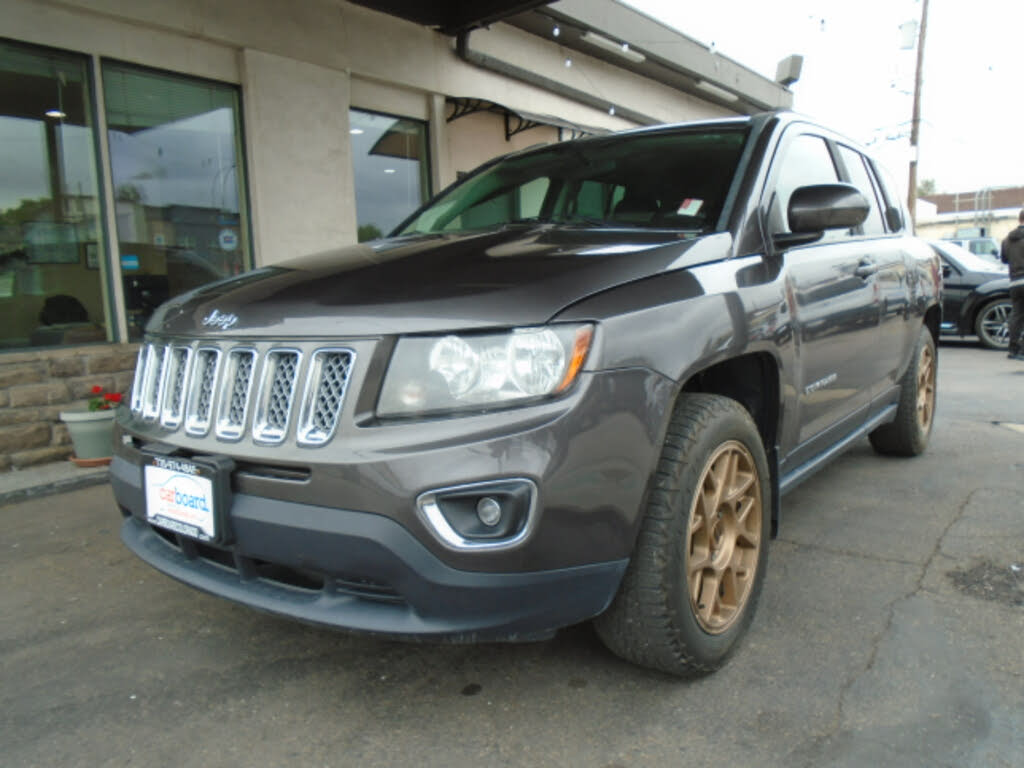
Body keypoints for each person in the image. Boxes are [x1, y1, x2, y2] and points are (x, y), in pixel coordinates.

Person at [1001, 209, 1024, 360]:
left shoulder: (1006, 240)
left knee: (1016, 316)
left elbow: (1004, 259)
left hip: (1014, 282)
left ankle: (1013, 349)